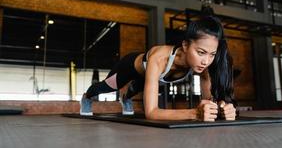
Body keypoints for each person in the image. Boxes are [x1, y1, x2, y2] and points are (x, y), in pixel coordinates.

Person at [80, 16, 236, 121]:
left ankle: (126, 97)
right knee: (106, 87)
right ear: (185, 45)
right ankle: (86, 96)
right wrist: (195, 113)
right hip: (129, 66)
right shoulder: (159, 59)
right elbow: (151, 112)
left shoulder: (204, 66)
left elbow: (208, 103)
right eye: (201, 52)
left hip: (148, 78)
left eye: (212, 54)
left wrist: (222, 108)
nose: (206, 61)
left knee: (135, 88)